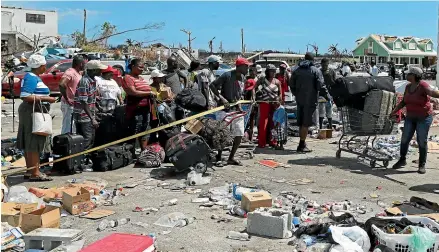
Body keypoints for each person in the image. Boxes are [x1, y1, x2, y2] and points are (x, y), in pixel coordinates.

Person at [390, 67, 439, 174]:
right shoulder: (407, 87)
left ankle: (422, 164)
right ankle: (402, 160)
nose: (406, 75)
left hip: (424, 118)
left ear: (414, 76)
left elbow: (431, 92)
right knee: (404, 139)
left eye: (409, 74)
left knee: (422, 141)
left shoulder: (423, 85)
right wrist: (394, 111)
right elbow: (403, 102)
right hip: (410, 117)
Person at [17, 54, 56, 181]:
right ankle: (35, 172)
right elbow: (25, 96)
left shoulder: (33, 77)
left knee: (30, 141)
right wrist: (46, 99)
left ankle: (31, 170)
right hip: (32, 112)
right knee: (33, 141)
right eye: (44, 65)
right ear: (39, 66)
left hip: (34, 111)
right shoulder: (31, 78)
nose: (45, 68)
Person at [210, 57, 252, 166]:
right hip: (224, 110)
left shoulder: (243, 77)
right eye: (246, 66)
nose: (248, 68)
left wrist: (239, 105)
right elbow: (212, 86)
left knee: (239, 134)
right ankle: (219, 157)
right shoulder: (227, 75)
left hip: (236, 110)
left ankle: (231, 157)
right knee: (222, 134)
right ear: (239, 67)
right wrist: (221, 98)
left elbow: (239, 93)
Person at [289, 52, 329, 152]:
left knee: (301, 122)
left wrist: (296, 94)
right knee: (305, 123)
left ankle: (302, 142)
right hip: (310, 100)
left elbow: (291, 85)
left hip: (299, 99)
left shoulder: (296, 70)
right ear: (313, 60)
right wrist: (328, 97)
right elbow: (321, 85)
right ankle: (301, 145)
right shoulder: (315, 71)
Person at [122, 58, 156, 151]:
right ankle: (130, 152)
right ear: (133, 66)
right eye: (140, 67)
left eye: (143, 67)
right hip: (136, 109)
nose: (142, 69)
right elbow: (133, 92)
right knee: (135, 130)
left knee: (145, 130)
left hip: (146, 108)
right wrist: (149, 93)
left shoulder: (140, 78)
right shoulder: (127, 78)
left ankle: (143, 151)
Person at [73, 60, 107, 150]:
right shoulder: (85, 82)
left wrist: (98, 107)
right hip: (83, 116)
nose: (101, 71)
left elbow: (91, 98)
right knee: (87, 139)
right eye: (99, 69)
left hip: (89, 114)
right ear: (93, 70)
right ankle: (82, 159)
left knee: (91, 138)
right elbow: (84, 102)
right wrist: (92, 119)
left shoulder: (93, 81)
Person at [256, 64, 282, 148]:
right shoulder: (262, 80)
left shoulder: (277, 81)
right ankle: (262, 142)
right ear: (267, 72)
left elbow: (280, 93)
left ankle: (272, 141)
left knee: (273, 123)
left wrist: (279, 100)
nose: (273, 73)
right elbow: (254, 88)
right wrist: (255, 96)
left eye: (274, 71)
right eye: (271, 71)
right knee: (264, 122)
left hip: (274, 104)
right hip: (264, 103)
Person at [59, 55, 85, 134]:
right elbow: (61, 84)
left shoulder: (78, 72)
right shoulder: (70, 72)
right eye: (84, 63)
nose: (84, 65)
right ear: (80, 64)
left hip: (75, 103)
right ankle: (65, 143)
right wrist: (67, 98)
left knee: (73, 126)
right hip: (69, 103)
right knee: (68, 126)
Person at [319, 58, 336, 129]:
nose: (324, 67)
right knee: (321, 111)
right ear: (321, 64)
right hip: (321, 94)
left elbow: (334, 84)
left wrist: (329, 77)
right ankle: (320, 127)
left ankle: (330, 127)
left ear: (328, 64)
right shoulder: (319, 72)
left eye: (326, 65)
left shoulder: (332, 71)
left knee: (329, 111)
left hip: (329, 94)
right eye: (323, 65)